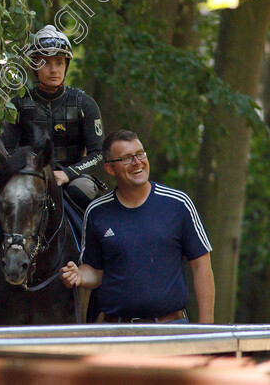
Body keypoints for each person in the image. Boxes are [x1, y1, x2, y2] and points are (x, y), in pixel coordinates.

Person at [0, 24, 104, 269]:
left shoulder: (85, 104)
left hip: (71, 178)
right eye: (45, 63)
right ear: (34, 66)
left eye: (59, 62)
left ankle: (96, 260)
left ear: (66, 65)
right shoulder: (16, 105)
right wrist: (27, 172)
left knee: (87, 194)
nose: (53, 69)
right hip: (29, 176)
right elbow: (5, 152)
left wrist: (66, 174)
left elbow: (99, 154)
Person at [60, 130, 215, 323]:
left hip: (171, 329)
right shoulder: (97, 212)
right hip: (115, 332)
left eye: (140, 154)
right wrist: (79, 275)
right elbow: (96, 272)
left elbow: (201, 265)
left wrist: (205, 328)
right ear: (110, 169)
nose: (137, 162)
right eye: (126, 158)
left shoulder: (178, 204)